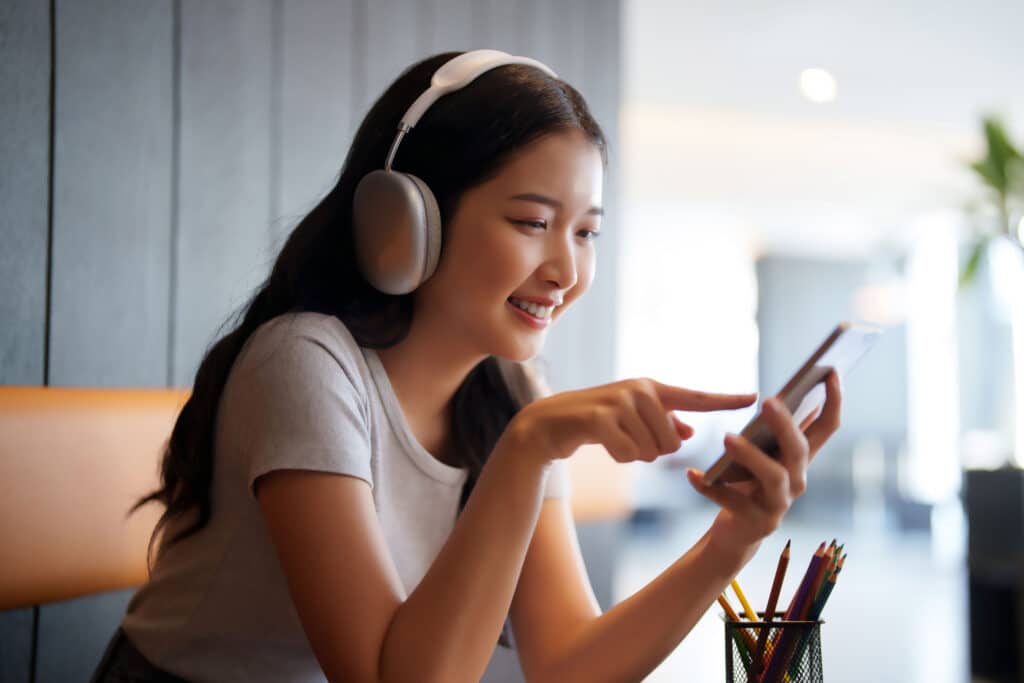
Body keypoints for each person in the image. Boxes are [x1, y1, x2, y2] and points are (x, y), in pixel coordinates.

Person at [91, 49, 842, 683]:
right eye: (532, 222)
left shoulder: (517, 395)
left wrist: (730, 541)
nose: (565, 270)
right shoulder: (305, 363)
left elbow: (567, 662)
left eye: (586, 233)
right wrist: (527, 447)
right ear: (406, 214)